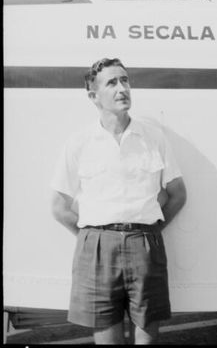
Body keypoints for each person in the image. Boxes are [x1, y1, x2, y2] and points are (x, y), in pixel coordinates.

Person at [50, 58, 187, 344]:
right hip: (96, 249)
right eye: (112, 83)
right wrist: (92, 237)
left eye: (125, 80)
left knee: (147, 339)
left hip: (145, 245)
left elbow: (177, 194)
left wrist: (148, 233)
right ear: (93, 96)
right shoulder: (79, 142)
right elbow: (60, 207)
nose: (122, 88)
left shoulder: (153, 137)